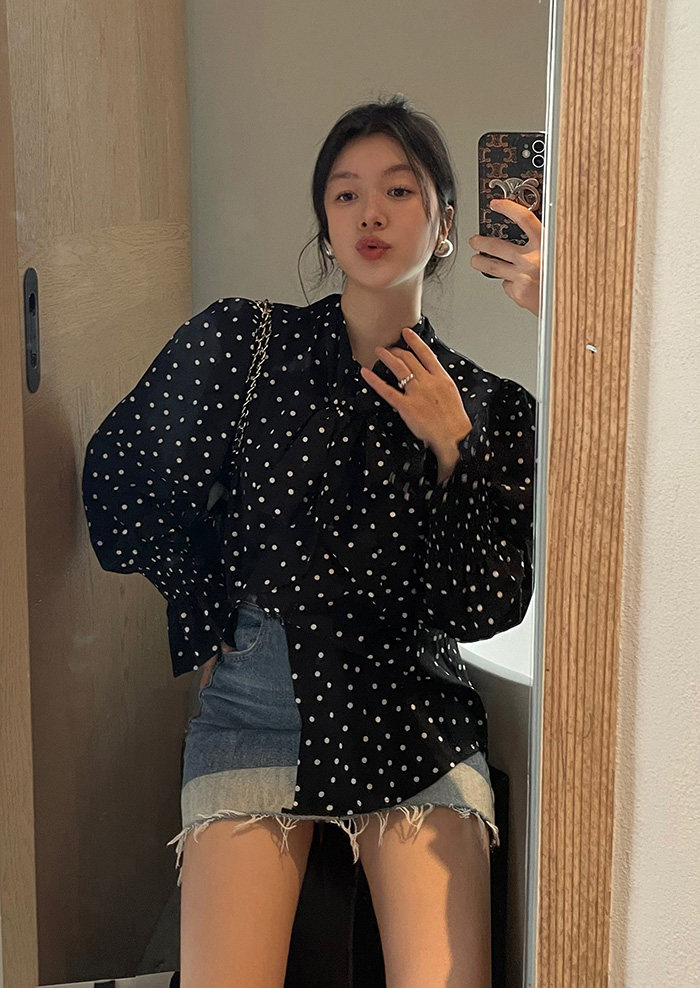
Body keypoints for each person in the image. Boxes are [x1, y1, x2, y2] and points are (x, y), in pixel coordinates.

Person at [82, 94, 539, 988]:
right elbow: (119, 474)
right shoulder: (243, 346)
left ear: (446, 224)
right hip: (255, 709)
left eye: (399, 191)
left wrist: (453, 446)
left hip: (414, 714)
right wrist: (205, 611)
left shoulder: (493, 406)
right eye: (345, 194)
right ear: (325, 225)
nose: (371, 213)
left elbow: (485, 605)